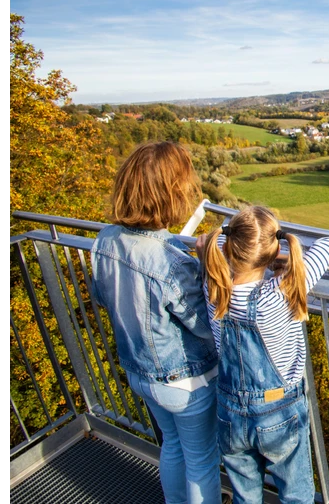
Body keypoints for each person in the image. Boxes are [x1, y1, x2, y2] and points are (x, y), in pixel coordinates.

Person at [90, 141, 221, 504]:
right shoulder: (172, 262)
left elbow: (102, 297)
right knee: (202, 461)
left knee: (173, 447)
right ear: (172, 193)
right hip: (185, 381)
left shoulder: (104, 240)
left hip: (140, 373)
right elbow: (203, 325)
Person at [197, 205, 329, 504]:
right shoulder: (280, 292)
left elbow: (219, 255)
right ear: (275, 249)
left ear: (228, 245)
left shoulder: (213, 288)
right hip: (279, 411)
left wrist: (216, 248)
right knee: (296, 495)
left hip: (229, 411)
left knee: (246, 496)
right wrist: (283, 253)